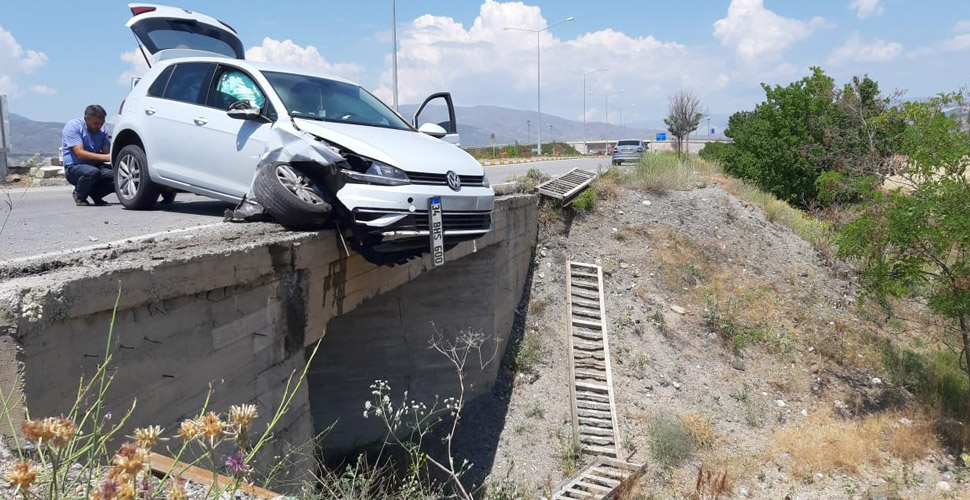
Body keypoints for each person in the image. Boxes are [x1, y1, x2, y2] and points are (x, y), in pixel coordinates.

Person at [62, 105, 113, 206]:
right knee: (92, 172)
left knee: (118, 175)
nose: (99, 126)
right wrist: (109, 157)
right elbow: (80, 154)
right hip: (74, 168)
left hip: (95, 166)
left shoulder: (102, 130)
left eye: (101, 123)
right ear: (86, 119)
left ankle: (96, 194)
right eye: (95, 123)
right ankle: (79, 195)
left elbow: (107, 152)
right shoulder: (73, 126)